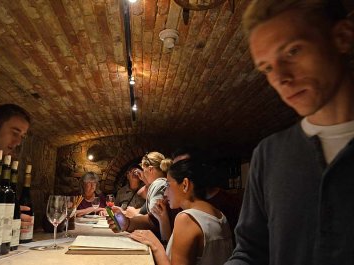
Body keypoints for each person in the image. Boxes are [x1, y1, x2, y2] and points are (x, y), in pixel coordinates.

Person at [226, 1, 354, 264]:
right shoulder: (269, 154)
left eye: (292, 51)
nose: (280, 78)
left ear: (342, 37)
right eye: (267, 68)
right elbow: (251, 251)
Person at [130, 159, 233, 265]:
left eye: (168, 185)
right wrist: (163, 220)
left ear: (185, 184)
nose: (165, 193)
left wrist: (155, 245)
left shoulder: (187, 218)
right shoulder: (219, 214)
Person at [107, 151, 172, 235]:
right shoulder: (160, 183)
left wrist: (130, 219)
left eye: (143, 170)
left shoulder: (158, 184)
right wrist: (126, 223)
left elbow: (155, 221)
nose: (142, 173)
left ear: (150, 169)